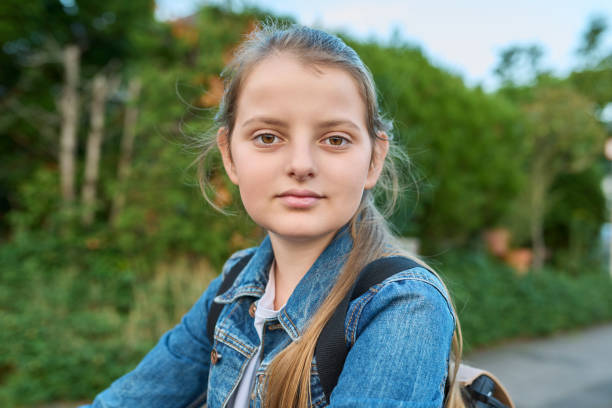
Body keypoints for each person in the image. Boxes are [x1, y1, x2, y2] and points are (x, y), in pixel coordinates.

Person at [84, 22, 465, 408]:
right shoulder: (232, 288)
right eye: (268, 137)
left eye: (335, 139)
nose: (301, 165)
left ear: (373, 159)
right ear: (230, 156)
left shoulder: (402, 304)